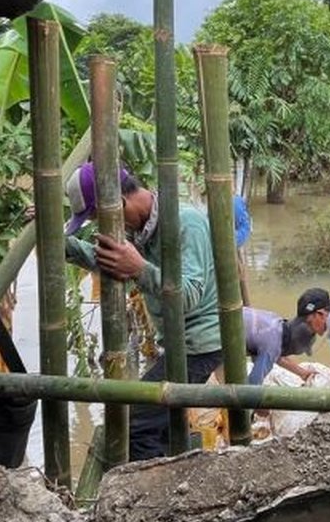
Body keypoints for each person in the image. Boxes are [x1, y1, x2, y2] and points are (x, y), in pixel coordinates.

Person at [62, 162, 222, 461]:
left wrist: (138, 268)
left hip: (199, 344)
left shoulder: (186, 223)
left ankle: (149, 495)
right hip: (176, 345)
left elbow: (187, 295)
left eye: (100, 218)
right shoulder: (141, 229)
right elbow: (107, 261)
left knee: (132, 424)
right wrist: (59, 242)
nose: (102, 228)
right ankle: (179, 479)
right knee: (159, 424)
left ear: (120, 203)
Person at [243, 305, 318, 386]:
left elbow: (279, 357)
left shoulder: (276, 323)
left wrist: (303, 373)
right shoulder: (271, 347)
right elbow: (253, 384)